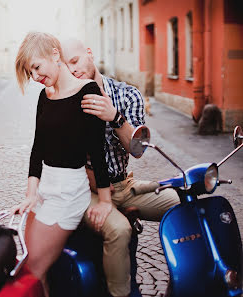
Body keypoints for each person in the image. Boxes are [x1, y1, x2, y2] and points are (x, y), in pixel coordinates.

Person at [58, 38, 179, 297]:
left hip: (124, 185)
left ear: (89, 52)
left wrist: (114, 116)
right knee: (119, 230)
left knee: (183, 202)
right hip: (88, 191)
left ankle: (188, 280)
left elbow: (137, 150)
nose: (73, 70)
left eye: (75, 61)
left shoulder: (128, 94)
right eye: (66, 67)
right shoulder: (68, 100)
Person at [12, 32, 111, 297]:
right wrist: (31, 193)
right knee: (31, 267)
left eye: (36, 67)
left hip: (69, 191)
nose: (34, 77)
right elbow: (37, 148)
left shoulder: (88, 91)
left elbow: (97, 151)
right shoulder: (45, 96)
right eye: (29, 72)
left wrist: (105, 201)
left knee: (31, 270)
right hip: (46, 189)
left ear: (55, 54)